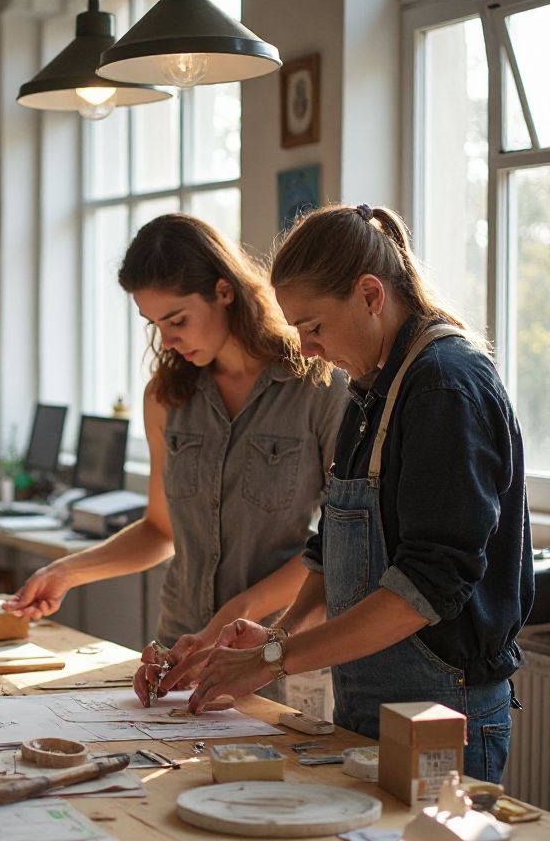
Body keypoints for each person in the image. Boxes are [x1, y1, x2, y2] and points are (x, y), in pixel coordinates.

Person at [169, 203, 533, 784]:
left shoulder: (444, 384)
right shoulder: (371, 386)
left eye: (314, 327)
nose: (307, 349)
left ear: (370, 295)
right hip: (367, 695)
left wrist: (269, 662)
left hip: (441, 706)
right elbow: (334, 538)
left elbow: (427, 585)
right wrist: (279, 633)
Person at [5, 214, 348, 704]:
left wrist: (232, 616)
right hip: (181, 647)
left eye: (177, 320)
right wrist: (66, 572)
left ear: (224, 291)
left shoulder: (318, 385)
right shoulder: (167, 397)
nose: (166, 340)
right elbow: (159, 531)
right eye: (155, 325)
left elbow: (337, 547)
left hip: (278, 655)